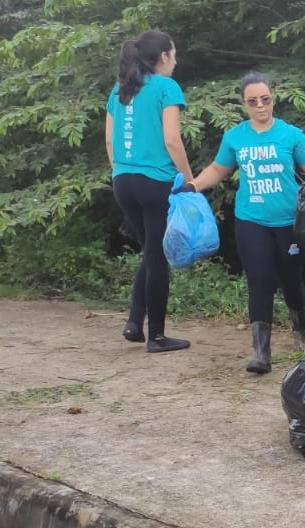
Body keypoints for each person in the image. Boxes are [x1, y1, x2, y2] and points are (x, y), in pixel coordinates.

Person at [184, 73, 305, 373]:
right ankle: (261, 353)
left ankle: (300, 330)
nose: (260, 106)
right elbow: (217, 169)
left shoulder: (291, 135)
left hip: (289, 221)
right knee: (259, 280)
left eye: (265, 99)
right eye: (253, 101)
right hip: (251, 220)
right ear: (244, 104)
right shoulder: (236, 137)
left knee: (290, 279)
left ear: (273, 99)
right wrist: (192, 186)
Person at [106, 29, 195, 353]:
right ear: (163, 57)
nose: (176, 60)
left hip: (122, 180)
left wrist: (121, 171)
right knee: (158, 257)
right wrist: (190, 180)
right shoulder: (166, 87)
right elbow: (172, 140)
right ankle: (156, 336)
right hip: (154, 182)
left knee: (150, 250)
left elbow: (109, 141)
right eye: (174, 54)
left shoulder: (120, 90)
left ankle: (134, 322)